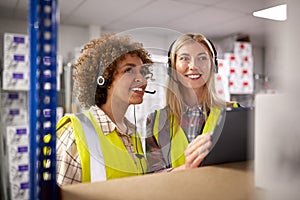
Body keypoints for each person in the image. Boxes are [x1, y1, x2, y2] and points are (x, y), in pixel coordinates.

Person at [56, 33, 153, 186]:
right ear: (103, 79)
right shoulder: (75, 133)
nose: (142, 80)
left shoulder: (133, 134)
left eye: (143, 72)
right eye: (129, 70)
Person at [146, 33, 239, 172]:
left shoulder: (235, 113)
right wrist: (188, 168)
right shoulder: (155, 121)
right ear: (172, 68)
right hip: (173, 193)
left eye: (202, 58)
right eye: (184, 58)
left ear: (213, 66)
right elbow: (152, 175)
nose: (193, 66)